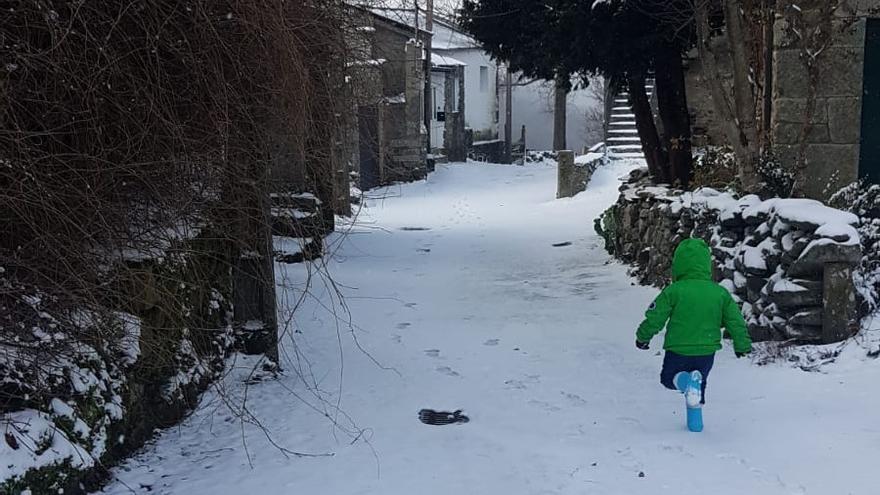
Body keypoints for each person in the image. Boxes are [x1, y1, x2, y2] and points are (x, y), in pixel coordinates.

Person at [634, 238, 752, 432]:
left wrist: (643, 337)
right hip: (707, 350)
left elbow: (655, 317)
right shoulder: (719, 293)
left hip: (678, 348)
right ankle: (695, 425)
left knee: (670, 378)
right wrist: (742, 345)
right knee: (696, 390)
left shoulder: (674, 291)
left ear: (678, 265)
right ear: (706, 264)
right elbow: (736, 322)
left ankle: (687, 382)